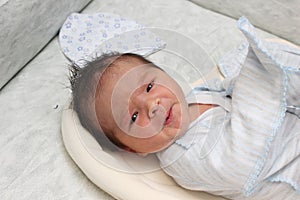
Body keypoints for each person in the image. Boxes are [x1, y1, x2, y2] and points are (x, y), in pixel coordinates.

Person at [69, 17, 300, 199]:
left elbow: (227, 88)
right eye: (134, 115)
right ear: (133, 149)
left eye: (149, 86)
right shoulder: (181, 158)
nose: (152, 105)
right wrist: (257, 81)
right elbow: (240, 164)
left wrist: (243, 74)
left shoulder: (194, 97)